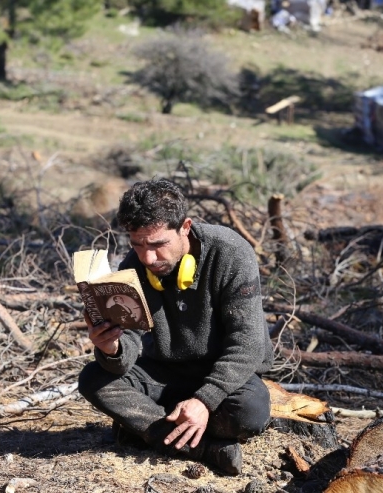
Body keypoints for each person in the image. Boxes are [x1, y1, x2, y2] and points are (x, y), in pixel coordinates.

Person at [78, 178, 274, 475]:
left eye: (158, 244)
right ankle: (204, 448)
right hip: (165, 372)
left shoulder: (230, 252)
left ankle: (145, 428)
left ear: (185, 227)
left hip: (222, 373)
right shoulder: (133, 265)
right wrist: (112, 348)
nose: (148, 257)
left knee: (249, 413)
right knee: (94, 378)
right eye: (137, 244)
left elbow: (248, 345)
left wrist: (204, 401)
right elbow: (127, 348)